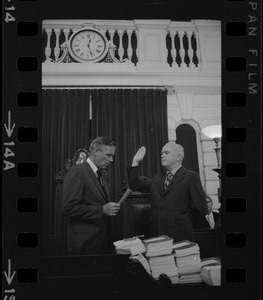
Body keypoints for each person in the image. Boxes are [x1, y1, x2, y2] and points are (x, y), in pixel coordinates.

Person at [127, 143, 208, 242]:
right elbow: (134, 184)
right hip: (156, 236)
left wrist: (181, 222)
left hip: (180, 236)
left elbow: (200, 209)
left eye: (166, 153)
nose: (162, 155)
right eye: (161, 153)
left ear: (178, 157)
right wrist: (135, 162)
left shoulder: (191, 177)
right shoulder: (157, 177)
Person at [62, 136, 120, 254]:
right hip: (84, 244)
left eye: (112, 156)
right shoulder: (77, 171)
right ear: (96, 151)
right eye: (108, 155)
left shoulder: (101, 174)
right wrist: (102, 210)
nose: (111, 160)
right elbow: (69, 208)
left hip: (101, 241)